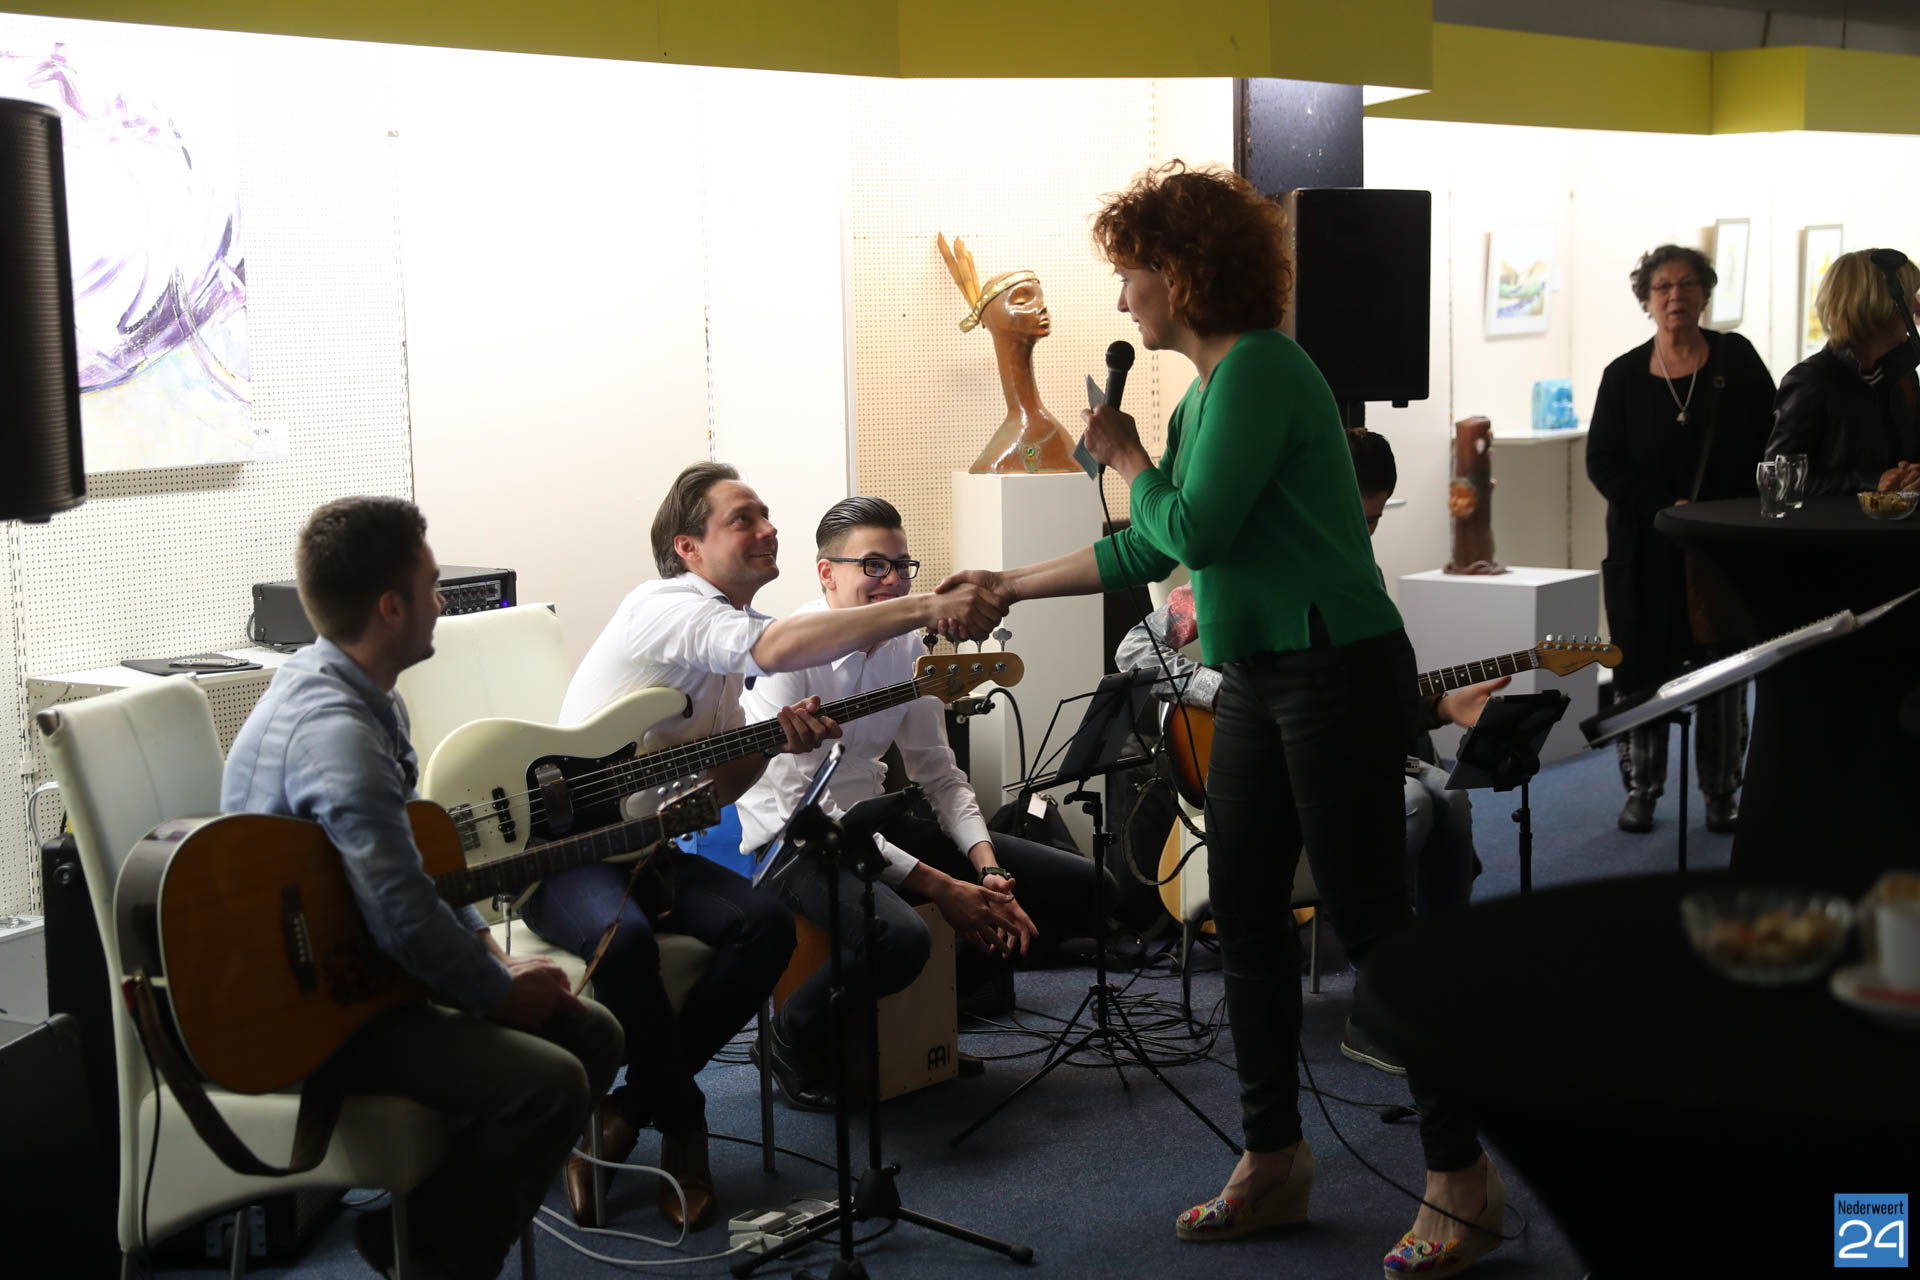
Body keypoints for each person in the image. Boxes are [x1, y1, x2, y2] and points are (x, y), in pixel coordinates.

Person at [938, 162, 1500, 1272]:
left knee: (1371, 922)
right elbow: (1148, 545)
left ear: (1183, 272)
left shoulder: (1263, 372)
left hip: (1333, 667)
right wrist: (1009, 583)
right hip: (1259, 676)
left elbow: (1192, 525)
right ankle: (1273, 1157)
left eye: (1131, 274)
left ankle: (1462, 1177)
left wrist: (1127, 457)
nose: (1122, 299)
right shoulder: (1205, 394)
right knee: (1242, 913)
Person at [523, 462, 1007, 1229]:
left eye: (766, 514)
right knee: (627, 943)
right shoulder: (667, 607)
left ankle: (626, 1111)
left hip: (647, 848)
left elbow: (718, 792)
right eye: (743, 519)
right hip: (564, 850)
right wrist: (923, 605)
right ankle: (684, 1129)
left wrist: (772, 743)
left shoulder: (730, 653)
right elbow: (773, 649)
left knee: (765, 927)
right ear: (688, 548)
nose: (767, 528)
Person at [222, 496, 624, 1280]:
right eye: (433, 587)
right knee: (553, 1083)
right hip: (318, 1017)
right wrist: (498, 995)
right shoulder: (335, 733)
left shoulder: (362, 693)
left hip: (369, 979)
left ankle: (421, 1238)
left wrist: (489, 955)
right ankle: (439, 1258)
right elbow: (401, 913)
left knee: (594, 1034)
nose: (443, 604)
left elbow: (419, 868)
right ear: (391, 606)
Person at [737, 496, 1116, 1109]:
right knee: (903, 939)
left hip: (875, 826)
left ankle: (930, 1026)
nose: (893, 580)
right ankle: (786, 1039)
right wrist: (943, 886)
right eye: (874, 566)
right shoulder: (787, 654)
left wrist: (987, 868)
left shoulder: (906, 647)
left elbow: (939, 773)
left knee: (1084, 887)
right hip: (798, 843)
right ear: (826, 573)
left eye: (902, 566)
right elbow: (807, 810)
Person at [1117, 428, 1503, 923]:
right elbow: (1135, 650)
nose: (1362, 534)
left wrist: (1440, 706)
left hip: (1355, 749)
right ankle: (1379, 940)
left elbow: (1369, 691)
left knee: (1451, 796)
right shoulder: (1256, 567)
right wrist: (1225, 693)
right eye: (1353, 518)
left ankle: (1436, 952)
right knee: (1411, 805)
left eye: (1373, 520)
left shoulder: (1364, 578)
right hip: (1283, 759)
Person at [1586, 244, 1775, 836]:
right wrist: (1665, 509)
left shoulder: (1737, 360)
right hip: (1644, 550)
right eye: (1663, 286)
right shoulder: (1622, 376)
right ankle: (1642, 790)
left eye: (1687, 284)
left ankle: (1722, 790)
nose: (1675, 296)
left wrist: (1725, 512)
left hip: (1720, 548)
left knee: (1724, 667)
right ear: (1647, 299)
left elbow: (1773, 442)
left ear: (1705, 293)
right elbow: (1602, 463)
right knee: (1642, 669)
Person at [1765, 247, 1920, 496]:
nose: (1915, 306)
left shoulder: (1903, 377)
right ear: (1880, 305)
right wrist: (1871, 482)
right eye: (1909, 296)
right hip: (1837, 522)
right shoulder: (1811, 382)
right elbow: (1780, 478)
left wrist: (1911, 475)